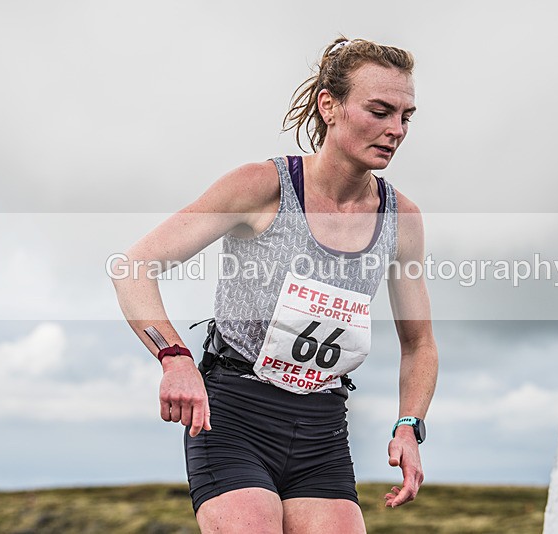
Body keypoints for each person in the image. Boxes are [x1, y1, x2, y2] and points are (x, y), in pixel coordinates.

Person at [111, 37, 438, 534]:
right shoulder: (262, 187)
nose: (395, 130)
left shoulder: (403, 220)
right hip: (234, 414)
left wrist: (409, 425)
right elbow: (133, 266)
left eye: (406, 116)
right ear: (330, 106)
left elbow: (419, 344)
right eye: (379, 111)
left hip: (321, 427)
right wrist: (174, 357)